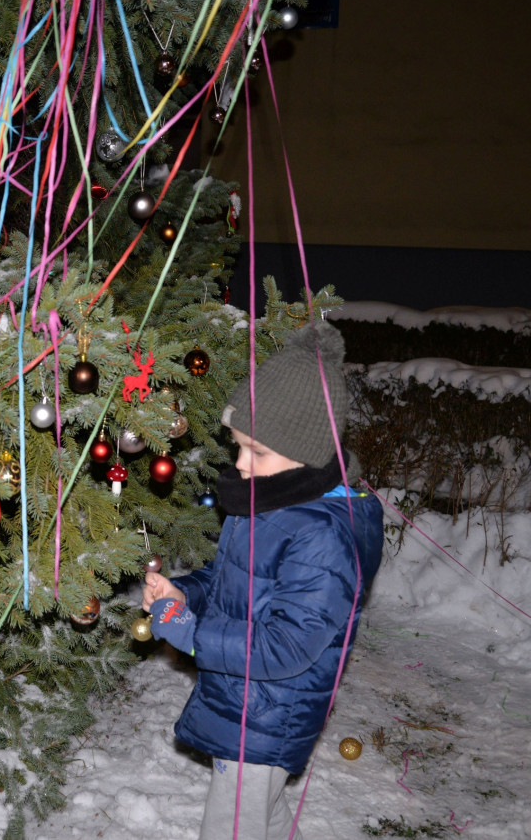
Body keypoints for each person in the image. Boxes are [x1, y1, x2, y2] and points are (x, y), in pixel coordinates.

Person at [142, 320, 384, 840]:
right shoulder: (275, 499)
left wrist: (188, 631)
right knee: (261, 821)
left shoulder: (323, 536)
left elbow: (287, 645)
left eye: (258, 452)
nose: (242, 466)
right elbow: (234, 578)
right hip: (250, 701)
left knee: (234, 828)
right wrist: (188, 593)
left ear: (310, 450)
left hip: (271, 711)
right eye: (238, 447)